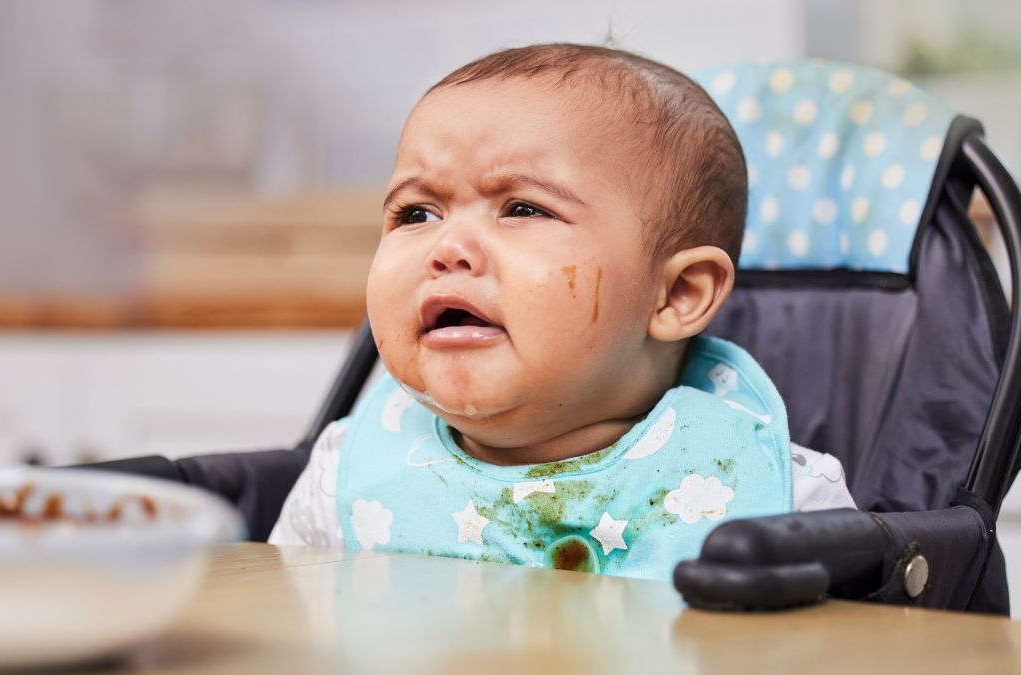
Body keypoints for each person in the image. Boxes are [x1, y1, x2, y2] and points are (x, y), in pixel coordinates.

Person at [270, 44, 854, 580]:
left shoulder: (778, 499)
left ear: (677, 295)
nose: (447, 248)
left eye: (522, 208)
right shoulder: (345, 477)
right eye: (417, 214)